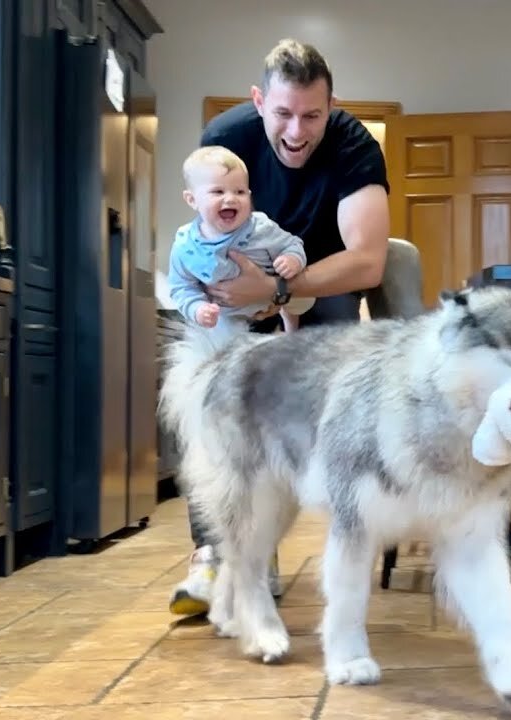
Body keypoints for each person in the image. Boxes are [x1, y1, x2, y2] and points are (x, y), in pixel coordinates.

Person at [168, 37, 391, 617]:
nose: (297, 131)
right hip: (234, 287)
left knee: (325, 401)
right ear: (258, 101)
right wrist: (225, 301)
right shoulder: (226, 136)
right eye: (283, 114)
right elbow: (203, 232)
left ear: (332, 105)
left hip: (319, 278)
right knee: (212, 397)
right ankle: (215, 554)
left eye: (313, 115)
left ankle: (336, 539)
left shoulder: (354, 145)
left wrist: (280, 291)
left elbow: (367, 260)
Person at [166, 145, 315, 332]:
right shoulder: (185, 246)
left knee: (305, 296)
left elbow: (292, 244)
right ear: (192, 200)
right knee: (222, 346)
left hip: (271, 294)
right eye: (218, 192)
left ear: (250, 196)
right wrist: (198, 308)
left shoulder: (260, 227)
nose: (230, 199)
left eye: (240, 192)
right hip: (227, 311)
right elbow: (181, 287)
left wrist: (292, 259)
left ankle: (291, 325)